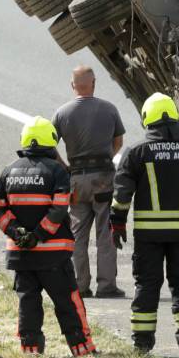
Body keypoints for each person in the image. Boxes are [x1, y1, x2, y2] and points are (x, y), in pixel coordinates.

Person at [110, 93, 179, 356]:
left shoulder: (137, 152)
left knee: (147, 284)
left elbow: (122, 194)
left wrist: (117, 224)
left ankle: (143, 343)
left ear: (147, 119)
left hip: (149, 234)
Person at [0, 117, 96, 357]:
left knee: (28, 302)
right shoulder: (57, 170)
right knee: (68, 301)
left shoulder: (8, 171)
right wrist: (37, 235)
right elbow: (60, 208)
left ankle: (30, 349)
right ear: (50, 142)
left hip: (22, 254)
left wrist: (17, 233)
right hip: (53, 253)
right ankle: (81, 348)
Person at [53, 65, 126, 300]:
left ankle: (79, 284)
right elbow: (118, 141)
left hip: (76, 178)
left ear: (72, 85)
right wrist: (106, 156)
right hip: (103, 177)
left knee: (77, 233)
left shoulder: (62, 113)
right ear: (93, 83)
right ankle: (107, 286)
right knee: (105, 233)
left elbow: (48, 144)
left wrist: (65, 166)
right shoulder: (109, 109)